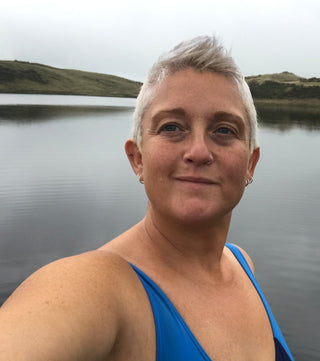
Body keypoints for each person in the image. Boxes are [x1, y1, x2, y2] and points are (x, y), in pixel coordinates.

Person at [0, 36, 294, 361]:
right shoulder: (101, 288)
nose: (198, 151)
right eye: (171, 127)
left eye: (224, 130)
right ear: (137, 157)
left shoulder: (242, 264)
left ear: (250, 164)